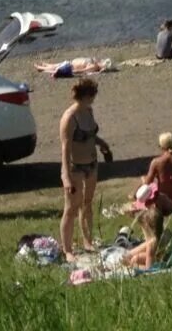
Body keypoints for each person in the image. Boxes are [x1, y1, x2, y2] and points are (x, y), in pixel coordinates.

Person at [58, 77, 112, 259]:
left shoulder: (88, 111)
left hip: (92, 164)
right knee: (71, 208)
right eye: (93, 95)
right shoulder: (69, 118)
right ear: (86, 96)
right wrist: (65, 176)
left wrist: (102, 144)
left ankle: (87, 242)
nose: (94, 98)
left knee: (87, 203)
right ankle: (67, 250)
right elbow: (65, 148)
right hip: (76, 168)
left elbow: (90, 136)